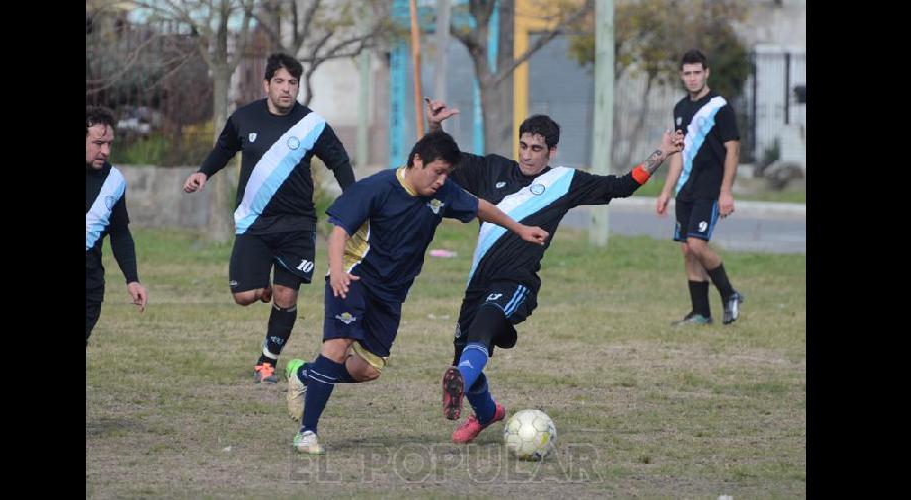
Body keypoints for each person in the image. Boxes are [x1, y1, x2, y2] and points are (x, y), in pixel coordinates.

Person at [424, 97, 683, 443]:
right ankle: (487, 412)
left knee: (485, 326)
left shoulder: (564, 182)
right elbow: (446, 162)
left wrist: (662, 153)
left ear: (552, 151)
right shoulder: (492, 170)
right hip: (478, 281)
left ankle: (459, 379)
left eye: (536, 148)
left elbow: (621, 185)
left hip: (516, 281)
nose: (528, 155)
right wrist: (435, 127)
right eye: (524, 146)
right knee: (465, 350)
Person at [281, 131, 549, 454]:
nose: (442, 180)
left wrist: (519, 229)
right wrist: (336, 270)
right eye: (438, 172)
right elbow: (340, 230)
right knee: (337, 347)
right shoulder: (377, 188)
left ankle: (306, 374)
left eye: (447, 174)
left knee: (367, 370)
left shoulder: (443, 193)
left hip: (391, 295)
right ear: (417, 162)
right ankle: (307, 433)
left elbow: (480, 207)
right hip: (354, 278)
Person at [183, 53, 356, 383]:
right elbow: (222, 149)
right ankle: (262, 289)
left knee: (286, 296)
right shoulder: (244, 119)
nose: (287, 89)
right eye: (280, 82)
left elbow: (340, 161)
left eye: (293, 83)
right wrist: (202, 173)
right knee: (244, 297)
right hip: (254, 222)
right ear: (266, 84)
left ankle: (267, 361)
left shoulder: (312, 125)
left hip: (297, 224)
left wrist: (355, 199)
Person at [654, 49, 745, 326]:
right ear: (682, 76)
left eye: (697, 72)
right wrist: (667, 191)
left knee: (697, 243)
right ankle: (701, 313)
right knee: (686, 249)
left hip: (710, 187)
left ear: (706, 73)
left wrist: (726, 191)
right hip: (686, 188)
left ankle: (730, 294)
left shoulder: (720, 107)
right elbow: (679, 154)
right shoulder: (680, 109)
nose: (692, 78)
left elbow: (733, 150)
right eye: (687, 73)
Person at [86, 106, 148, 346]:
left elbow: (120, 233)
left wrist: (132, 279)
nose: (105, 151)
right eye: (98, 143)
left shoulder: (114, 182)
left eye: (109, 144)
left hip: (90, 282)